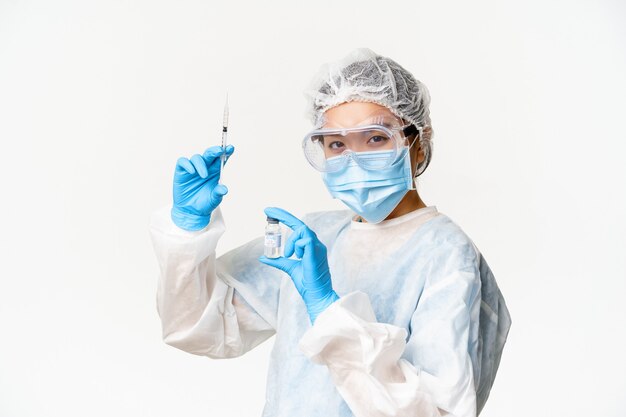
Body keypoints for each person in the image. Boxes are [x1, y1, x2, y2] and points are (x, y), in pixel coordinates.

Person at [149, 48, 511, 417]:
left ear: (418, 144)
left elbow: (436, 410)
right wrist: (187, 230)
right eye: (337, 143)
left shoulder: (445, 254)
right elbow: (199, 328)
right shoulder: (315, 237)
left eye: (374, 138)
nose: (353, 159)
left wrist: (327, 310)